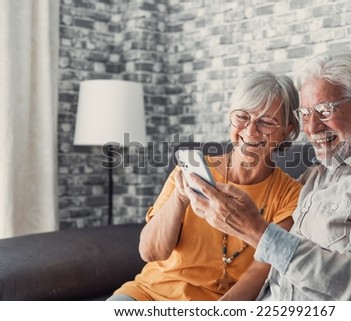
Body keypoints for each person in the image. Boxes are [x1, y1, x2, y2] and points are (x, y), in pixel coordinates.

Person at [186, 51, 351, 300]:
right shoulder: (314, 178)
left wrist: (255, 229)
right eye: (305, 114)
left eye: (324, 111)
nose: (311, 128)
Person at [108, 71, 302, 300]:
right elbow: (150, 252)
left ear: (288, 130)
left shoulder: (292, 195)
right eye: (242, 117)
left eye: (266, 122)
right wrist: (180, 199)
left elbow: (261, 270)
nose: (250, 131)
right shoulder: (191, 171)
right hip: (147, 294)